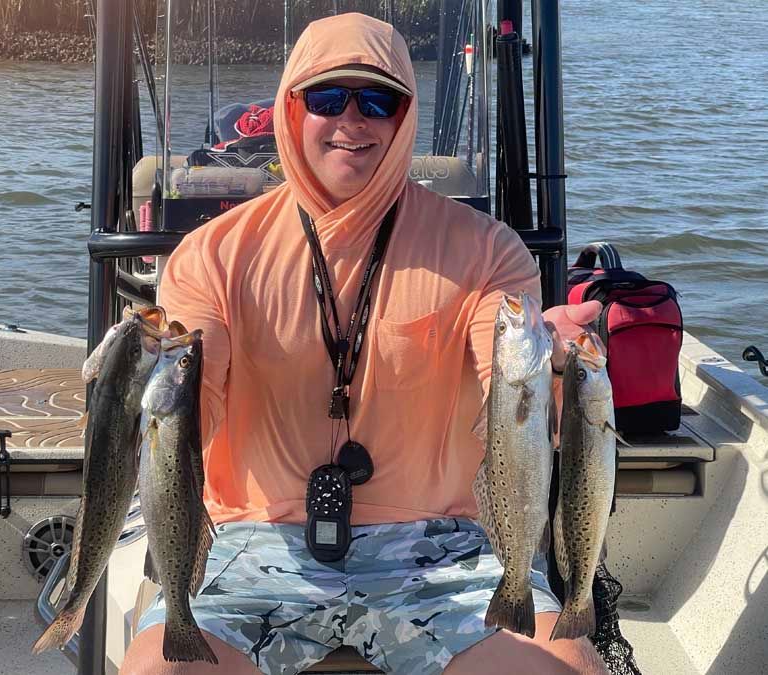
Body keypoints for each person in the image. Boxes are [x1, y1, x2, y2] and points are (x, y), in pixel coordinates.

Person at [122, 12, 608, 675]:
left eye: (377, 100)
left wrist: (547, 363)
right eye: (328, 98)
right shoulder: (209, 257)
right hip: (253, 539)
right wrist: (149, 376)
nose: (352, 119)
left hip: (443, 545)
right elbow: (189, 404)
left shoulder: (487, 248)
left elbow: (509, 383)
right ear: (292, 110)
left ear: (405, 116)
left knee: (564, 668)